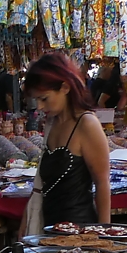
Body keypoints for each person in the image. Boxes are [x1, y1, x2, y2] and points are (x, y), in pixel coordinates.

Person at [21, 52, 111, 229]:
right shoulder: (51, 123)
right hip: (50, 230)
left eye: (44, 98)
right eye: (36, 99)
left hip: (81, 231)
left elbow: (102, 184)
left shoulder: (87, 124)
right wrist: (27, 219)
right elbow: (42, 185)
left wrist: (104, 231)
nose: (39, 106)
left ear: (65, 87)